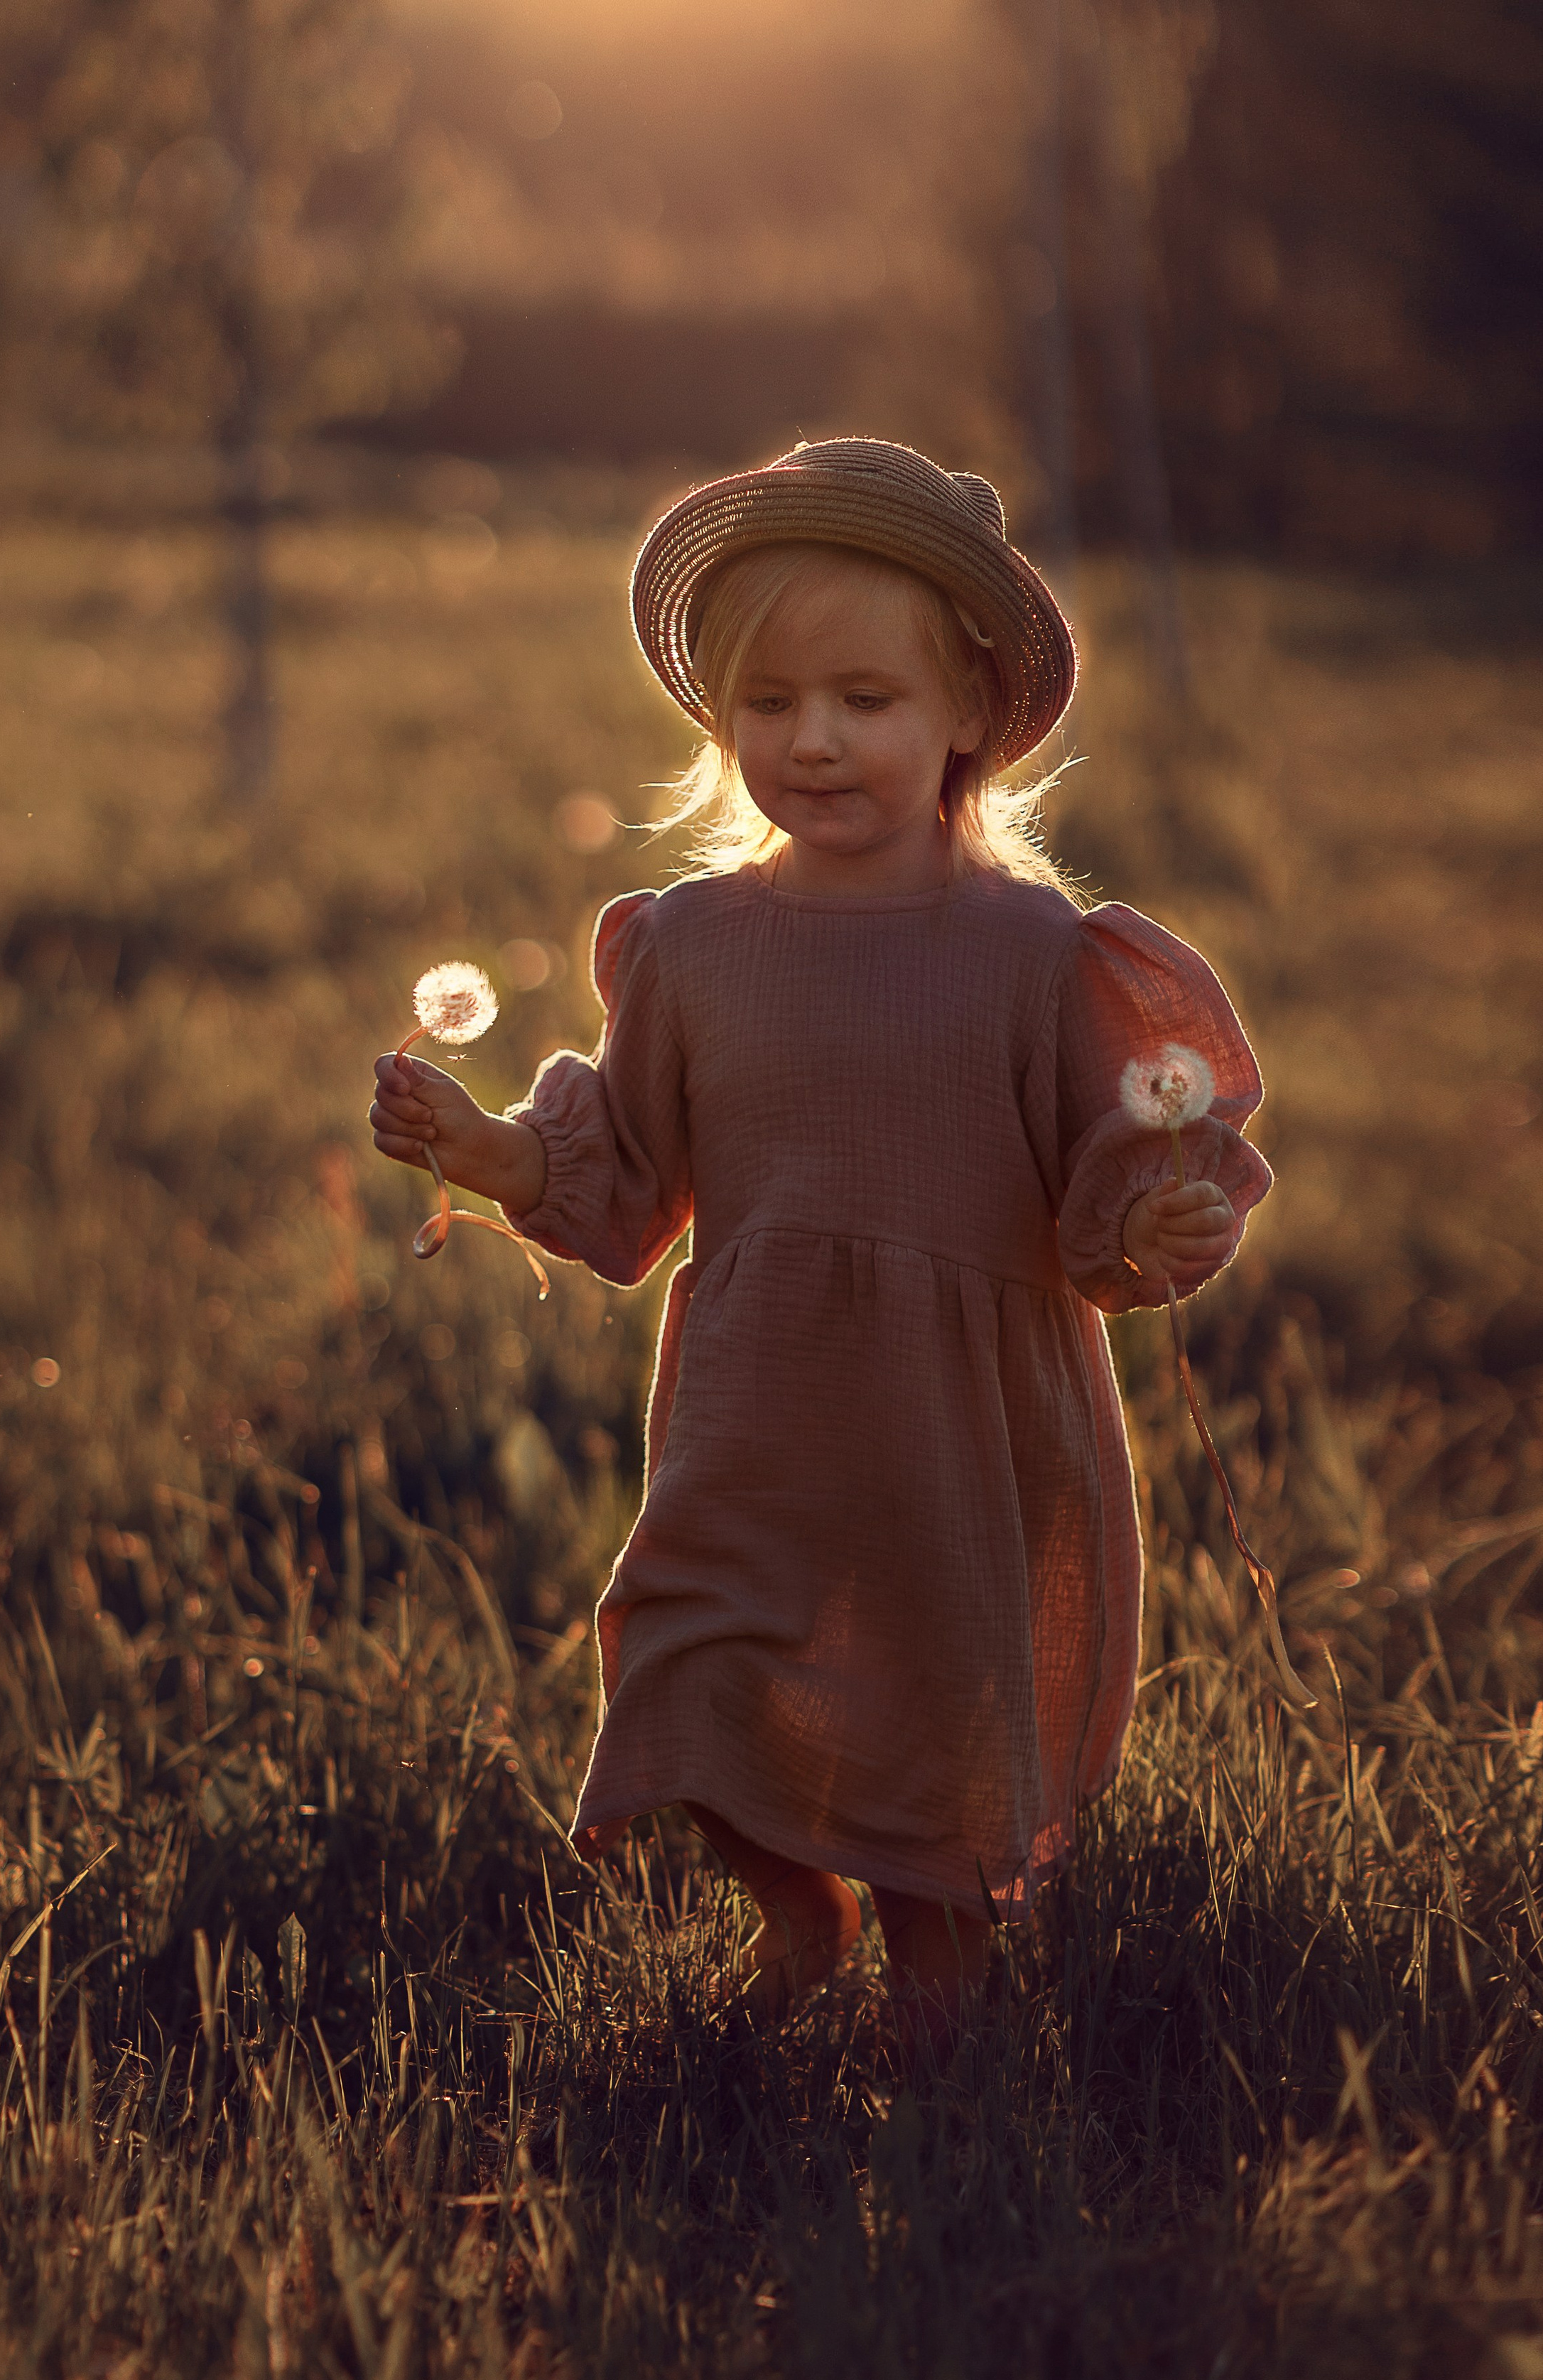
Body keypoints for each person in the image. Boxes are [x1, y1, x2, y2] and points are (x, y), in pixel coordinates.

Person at [369, 438, 1270, 2042]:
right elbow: (633, 1169)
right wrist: (494, 1151)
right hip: (757, 1401)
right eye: (766, 705)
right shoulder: (693, 943)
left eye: (863, 700)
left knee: (938, 1696)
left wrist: (1156, 1211)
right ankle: (800, 1912)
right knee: (687, 1661)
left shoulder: (1030, 949)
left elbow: (1107, 1164)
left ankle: (941, 1983)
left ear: (963, 718)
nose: (812, 740)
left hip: (963, 1421)